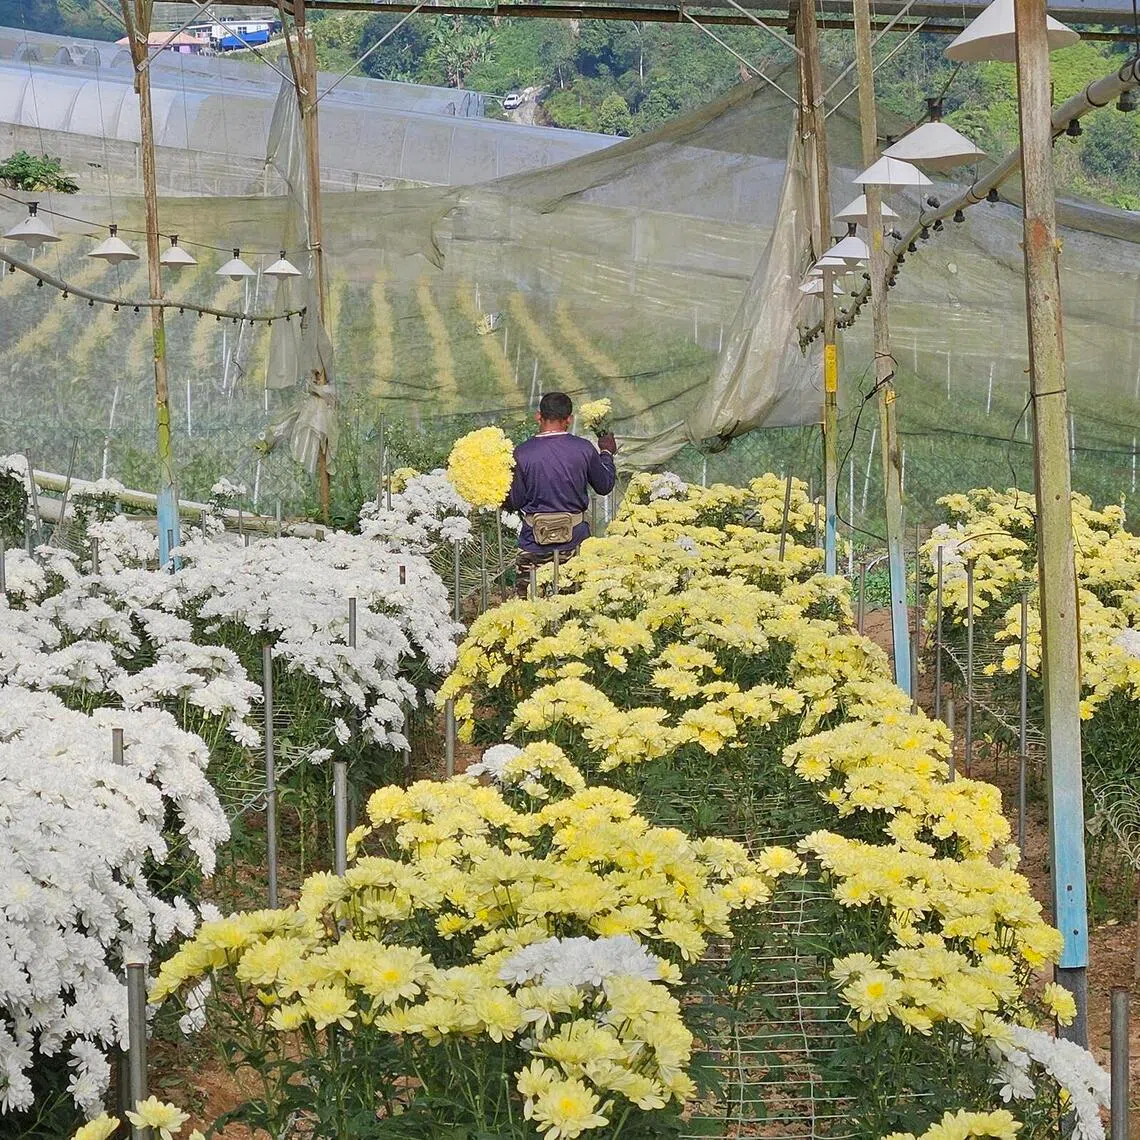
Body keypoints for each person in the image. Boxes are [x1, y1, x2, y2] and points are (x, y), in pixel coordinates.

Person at [505, 392, 617, 596]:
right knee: (573, 611)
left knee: (529, 611)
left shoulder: (521, 453)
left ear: (538, 416)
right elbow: (604, 486)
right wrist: (607, 453)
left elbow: (515, 501)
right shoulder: (583, 449)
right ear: (569, 419)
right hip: (575, 545)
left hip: (533, 544)